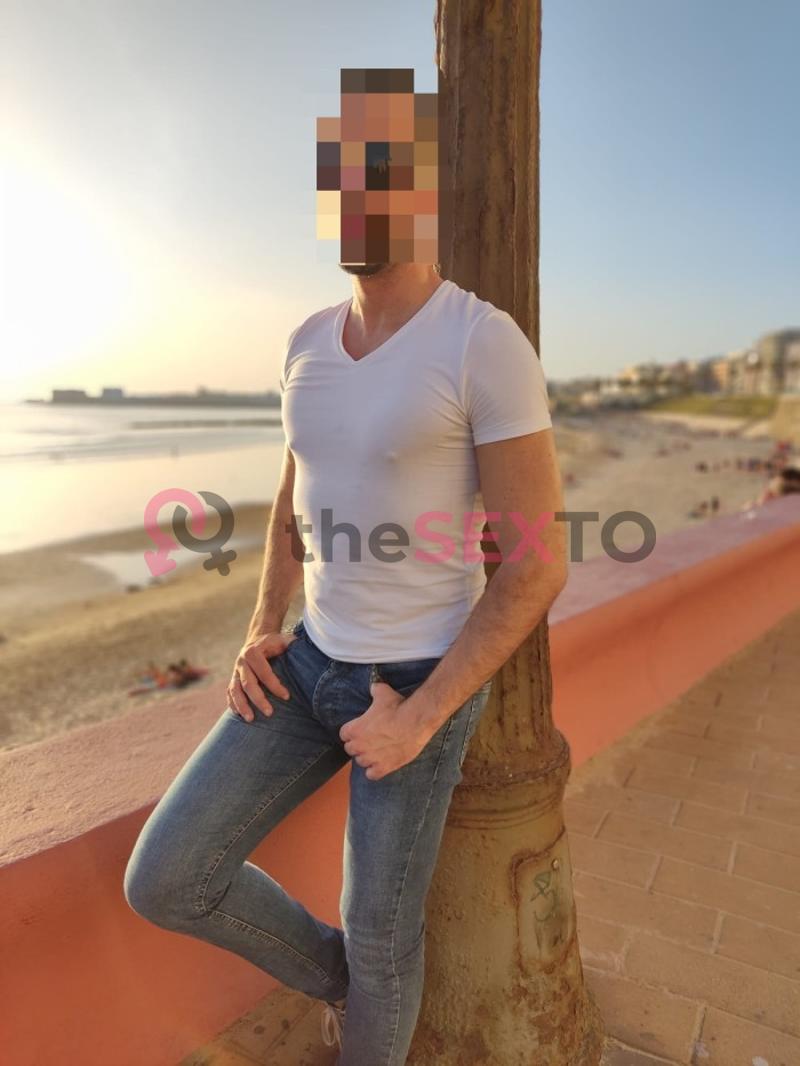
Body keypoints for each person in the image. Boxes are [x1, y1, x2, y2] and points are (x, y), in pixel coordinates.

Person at [123, 71, 565, 1066]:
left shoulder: (481, 341)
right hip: (310, 661)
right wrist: (258, 627)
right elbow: (291, 503)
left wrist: (422, 716)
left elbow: (536, 565)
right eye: (345, 172)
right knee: (167, 876)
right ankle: (340, 979)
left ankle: (367, 986)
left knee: (382, 931)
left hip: (417, 678)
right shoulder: (304, 344)